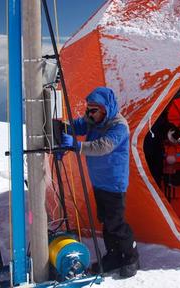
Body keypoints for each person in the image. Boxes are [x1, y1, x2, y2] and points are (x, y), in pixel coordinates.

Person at [60, 87, 139, 278]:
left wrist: (76, 145)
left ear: (105, 109)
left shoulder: (118, 125)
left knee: (116, 223)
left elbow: (102, 147)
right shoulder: (94, 120)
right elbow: (77, 125)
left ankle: (131, 257)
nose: (89, 113)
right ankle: (113, 255)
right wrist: (61, 127)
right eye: (89, 109)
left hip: (113, 182)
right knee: (106, 221)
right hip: (99, 181)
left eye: (93, 110)